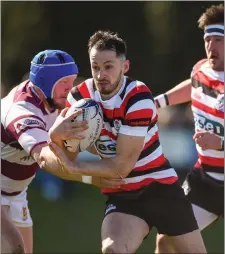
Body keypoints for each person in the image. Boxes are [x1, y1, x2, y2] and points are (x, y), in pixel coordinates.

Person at [48, 30, 207, 254]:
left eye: (109, 66)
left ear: (125, 67)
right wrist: (56, 135)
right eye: (95, 67)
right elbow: (65, 153)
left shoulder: (138, 98)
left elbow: (122, 166)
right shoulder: (78, 99)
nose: (101, 74)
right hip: (123, 195)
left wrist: (76, 168)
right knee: (112, 250)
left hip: (161, 190)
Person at [1, 49, 123, 254]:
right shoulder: (21, 112)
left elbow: (71, 151)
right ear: (45, 82)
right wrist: (91, 178)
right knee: (15, 248)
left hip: (16, 193)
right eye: (64, 82)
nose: (70, 89)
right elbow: (44, 159)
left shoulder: (55, 100)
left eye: (72, 81)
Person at [154, 4, 224, 253]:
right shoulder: (201, 69)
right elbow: (193, 84)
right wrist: (160, 102)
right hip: (205, 179)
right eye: (207, 39)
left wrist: (221, 144)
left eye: (218, 39)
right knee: (166, 237)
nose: (211, 46)